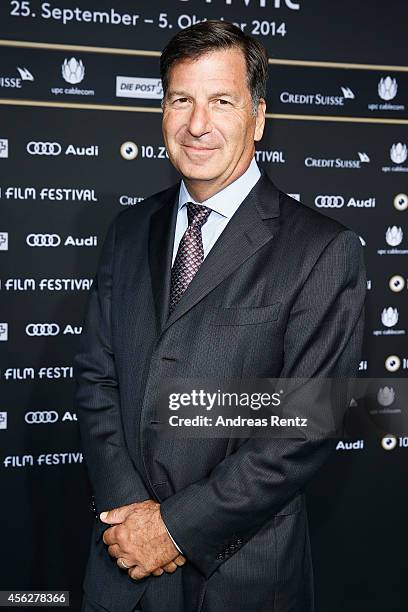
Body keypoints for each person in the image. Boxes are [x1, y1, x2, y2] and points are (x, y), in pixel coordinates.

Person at [75, 19, 366, 612]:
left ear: (258, 117)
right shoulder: (129, 231)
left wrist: (174, 529)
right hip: (121, 564)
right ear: (162, 112)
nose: (197, 123)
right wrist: (133, 518)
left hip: (241, 577)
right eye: (181, 99)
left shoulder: (321, 250)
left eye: (220, 101)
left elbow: (304, 429)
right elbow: (98, 379)